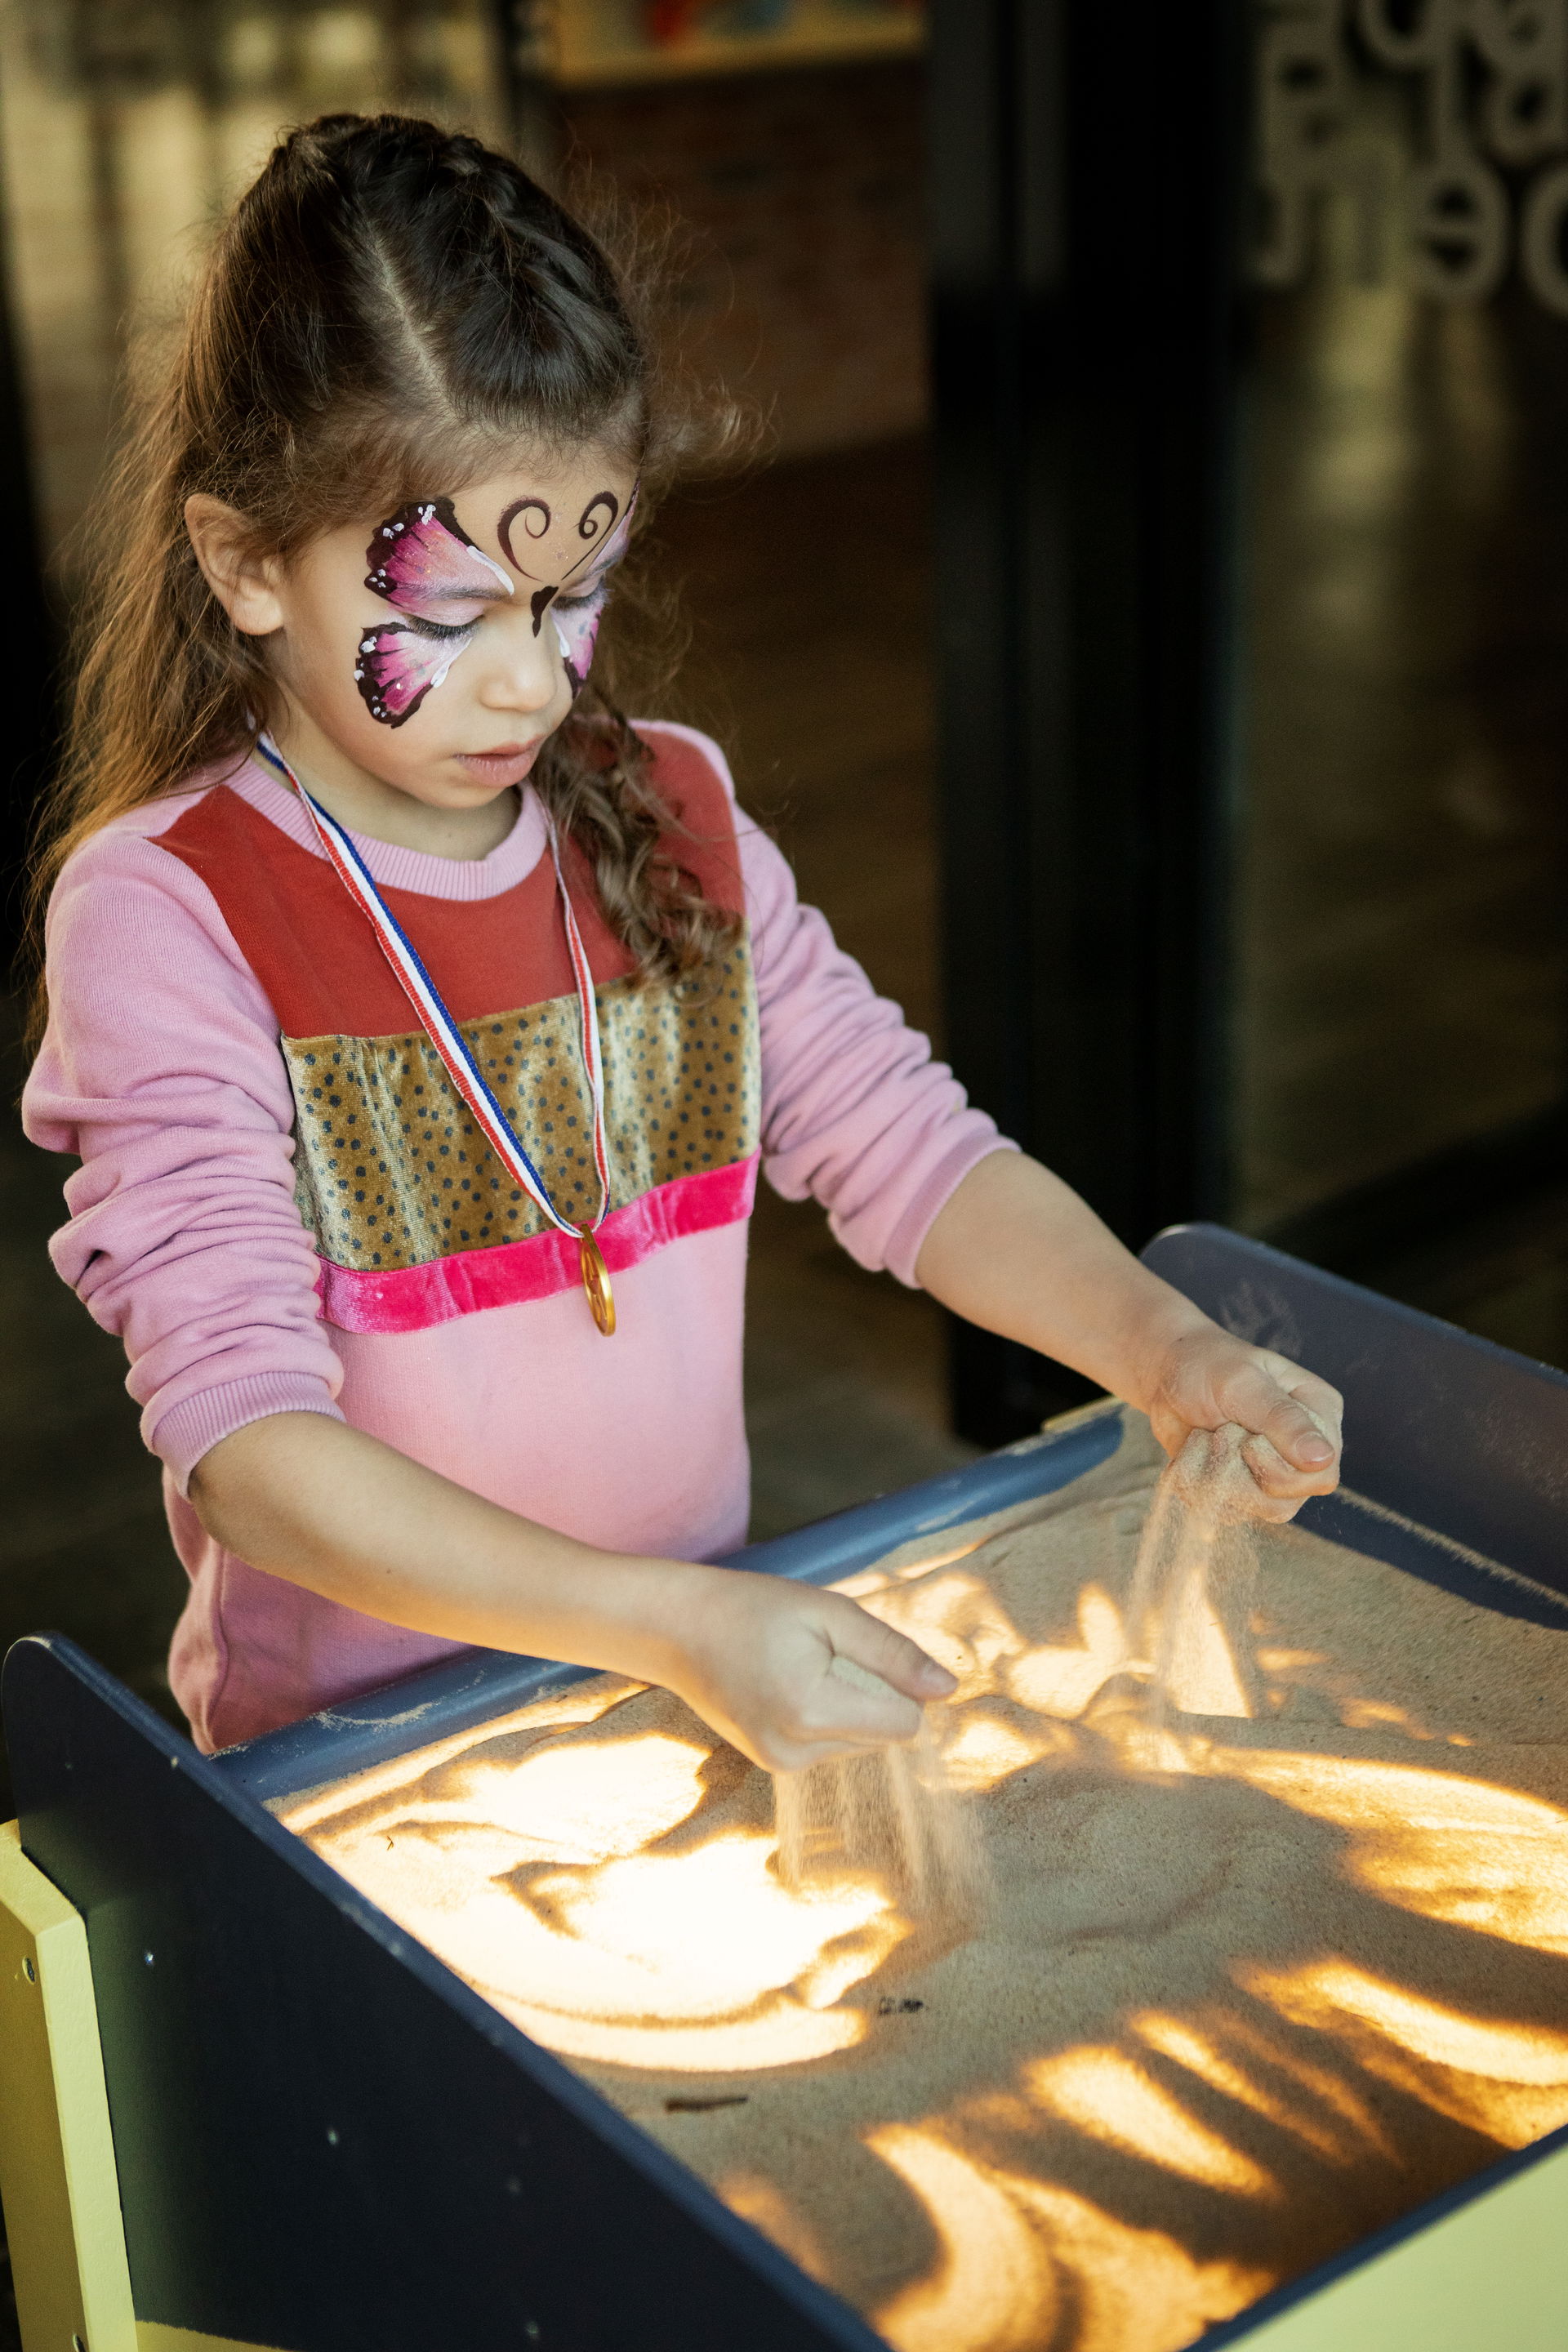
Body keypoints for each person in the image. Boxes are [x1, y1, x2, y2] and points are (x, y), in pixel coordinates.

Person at [22, 115, 1343, 1775]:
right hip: (370, 1758)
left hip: (692, 1673)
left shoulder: (679, 817)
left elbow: (914, 1153)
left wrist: (1166, 1349)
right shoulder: (172, 909)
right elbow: (248, 1444)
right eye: (441, 618)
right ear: (243, 563)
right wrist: (669, 1621)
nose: (531, 682)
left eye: (571, 590)